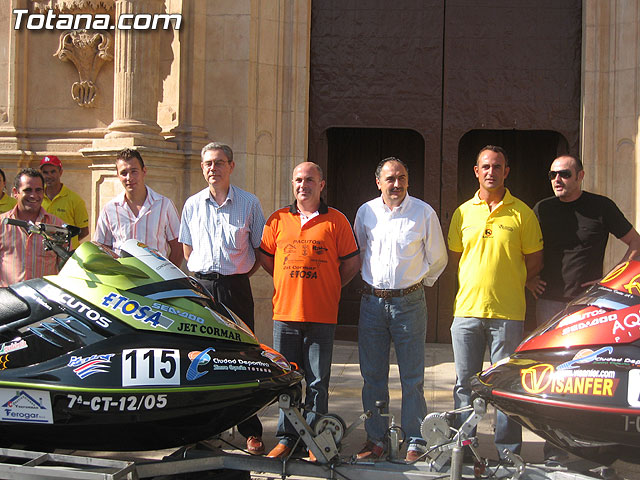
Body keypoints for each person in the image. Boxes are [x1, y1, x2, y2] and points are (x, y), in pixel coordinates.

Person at [529, 154, 640, 463]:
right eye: (552, 174)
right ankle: (554, 451)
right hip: (550, 305)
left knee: (589, 379)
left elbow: (636, 243)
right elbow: (523, 248)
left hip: (591, 308)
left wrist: (609, 281)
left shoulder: (601, 206)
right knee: (553, 379)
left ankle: (593, 450)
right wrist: (529, 280)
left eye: (564, 174)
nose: (557, 180)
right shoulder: (542, 209)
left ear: (580, 176)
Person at [447, 145, 543, 460]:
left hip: (508, 314)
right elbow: (457, 256)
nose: (491, 172)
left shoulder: (523, 213)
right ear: (476, 171)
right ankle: (465, 449)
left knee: (504, 388)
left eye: (497, 166)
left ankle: (507, 452)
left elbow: (535, 261)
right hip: (467, 312)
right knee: (465, 384)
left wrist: (515, 279)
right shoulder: (462, 213)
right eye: (485, 166)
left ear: (506, 171)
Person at [259, 162, 360, 459]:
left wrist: (328, 287)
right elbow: (267, 259)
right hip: (285, 316)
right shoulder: (277, 219)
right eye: (299, 180)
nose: (304, 185)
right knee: (287, 381)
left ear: (322, 184)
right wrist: (286, 280)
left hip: (322, 316)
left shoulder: (336, 221)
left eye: (310, 180)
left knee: (317, 382)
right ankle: (287, 438)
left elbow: (352, 263)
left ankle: (316, 439)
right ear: (293, 183)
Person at [353, 157, 448, 462]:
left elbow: (438, 257)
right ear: (378, 181)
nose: (396, 184)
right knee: (372, 375)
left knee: (412, 377)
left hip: (410, 304)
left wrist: (418, 286)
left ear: (408, 181)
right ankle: (376, 438)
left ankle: (416, 439)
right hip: (372, 304)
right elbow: (359, 252)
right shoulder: (366, 212)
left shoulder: (423, 212)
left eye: (402, 178)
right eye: (390, 178)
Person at [179, 142, 267, 455]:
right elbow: (188, 252)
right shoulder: (192, 204)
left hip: (235, 288)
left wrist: (237, 274)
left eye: (218, 163)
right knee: (200, 358)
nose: (212, 169)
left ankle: (250, 430)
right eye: (207, 164)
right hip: (201, 290)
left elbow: (258, 250)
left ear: (231, 166)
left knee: (243, 356)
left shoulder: (250, 203)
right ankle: (204, 428)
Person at [94, 148, 183, 266]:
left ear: (144, 171)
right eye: (123, 173)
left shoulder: (164, 205)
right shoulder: (109, 210)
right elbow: (101, 248)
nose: (129, 177)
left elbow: (178, 247)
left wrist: (168, 278)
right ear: (118, 176)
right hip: (124, 280)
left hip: (156, 280)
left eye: (134, 171)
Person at [0, 168, 64, 286]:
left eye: (38, 190)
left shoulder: (56, 226)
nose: (33, 195)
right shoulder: (2, 224)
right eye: (28, 190)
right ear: (15, 192)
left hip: (44, 301)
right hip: (9, 300)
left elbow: (65, 268)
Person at [39, 155, 89, 250]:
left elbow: (84, 231)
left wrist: (66, 243)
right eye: (45, 172)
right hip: (43, 253)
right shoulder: (37, 198)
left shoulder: (75, 200)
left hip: (67, 255)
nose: (49, 176)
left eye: (53, 172)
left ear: (60, 172)